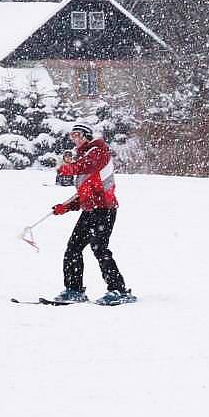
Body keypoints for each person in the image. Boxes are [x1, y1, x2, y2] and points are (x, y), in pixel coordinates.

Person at [52, 122, 136, 305]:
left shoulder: (98, 151)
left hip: (105, 209)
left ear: (86, 135)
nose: (74, 139)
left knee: (99, 248)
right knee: (73, 249)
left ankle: (118, 290)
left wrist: (67, 167)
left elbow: (86, 166)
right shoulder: (83, 158)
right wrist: (65, 207)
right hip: (90, 211)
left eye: (77, 134)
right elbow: (85, 193)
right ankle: (74, 290)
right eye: (71, 136)